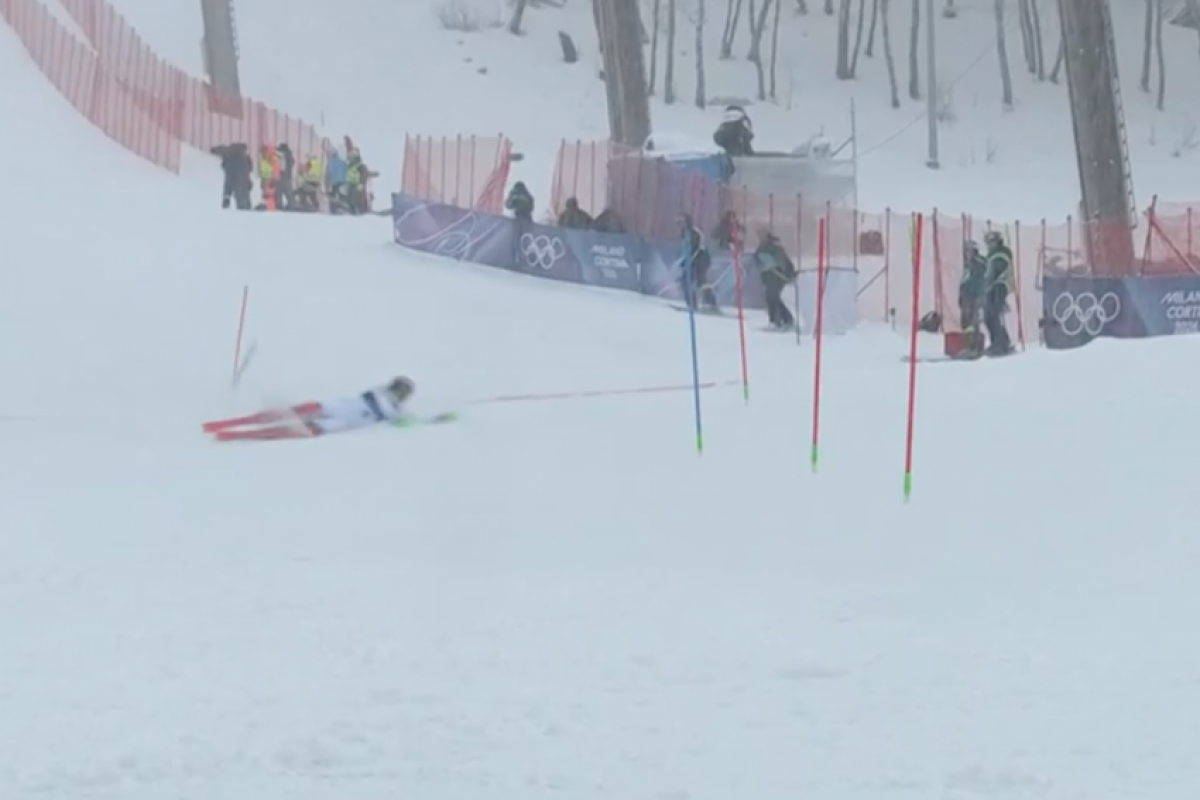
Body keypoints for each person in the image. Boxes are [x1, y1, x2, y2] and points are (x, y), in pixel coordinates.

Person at [208, 378, 418, 440]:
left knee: (295, 428)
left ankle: (233, 435)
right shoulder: (378, 391)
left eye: (402, 393)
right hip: (339, 406)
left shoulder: (396, 411)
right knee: (291, 412)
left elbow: (406, 422)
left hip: (341, 422)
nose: (398, 394)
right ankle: (234, 424)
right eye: (399, 390)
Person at [753, 230, 797, 330]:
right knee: (773, 298)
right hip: (770, 277)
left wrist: (785, 272)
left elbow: (783, 262)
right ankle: (786, 319)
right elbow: (757, 259)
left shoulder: (775, 248)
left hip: (777, 276)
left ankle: (776, 321)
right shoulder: (762, 248)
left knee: (771, 298)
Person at [982, 230, 1014, 355]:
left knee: (994, 314)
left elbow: (995, 272)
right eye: (988, 242)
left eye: (991, 241)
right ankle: (998, 341)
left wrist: (986, 284)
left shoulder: (1000, 254)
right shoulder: (991, 255)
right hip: (992, 287)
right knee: (989, 316)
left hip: (1000, 286)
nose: (989, 244)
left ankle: (1000, 343)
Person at [680, 214, 719, 311]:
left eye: (681, 222)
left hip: (702, 258)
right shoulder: (685, 232)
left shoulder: (693, 233)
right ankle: (692, 304)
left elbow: (696, 249)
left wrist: (687, 261)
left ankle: (710, 302)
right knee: (686, 280)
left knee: (700, 280)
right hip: (695, 258)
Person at [958, 239, 988, 356]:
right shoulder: (968, 264)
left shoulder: (979, 263)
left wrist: (979, 298)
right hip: (967, 297)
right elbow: (964, 280)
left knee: (973, 321)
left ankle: (974, 347)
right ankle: (969, 346)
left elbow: (981, 281)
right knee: (966, 322)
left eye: (968, 250)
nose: (966, 253)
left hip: (974, 297)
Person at [211, 142, 252, 210]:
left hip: (237, 180)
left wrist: (226, 196)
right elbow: (248, 171)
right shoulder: (244, 157)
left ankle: (244, 210)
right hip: (243, 182)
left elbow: (229, 182)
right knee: (244, 202)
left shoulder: (228, 156)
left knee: (242, 202)